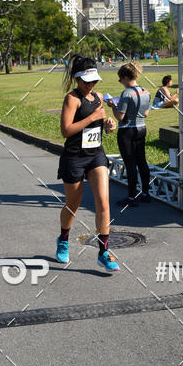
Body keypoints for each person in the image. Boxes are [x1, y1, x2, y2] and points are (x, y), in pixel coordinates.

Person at [56, 55, 119, 272]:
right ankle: (63, 238)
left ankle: (103, 252)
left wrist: (108, 125)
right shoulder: (71, 99)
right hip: (74, 156)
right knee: (72, 205)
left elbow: (100, 124)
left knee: (103, 201)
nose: (90, 85)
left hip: (95, 155)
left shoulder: (99, 97)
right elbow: (66, 131)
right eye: (86, 81)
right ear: (77, 79)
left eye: (93, 81)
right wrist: (91, 119)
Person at [106, 61, 151, 207]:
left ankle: (131, 197)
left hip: (127, 130)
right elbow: (146, 113)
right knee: (142, 161)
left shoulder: (126, 93)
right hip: (141, 128)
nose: (121, 82)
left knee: (130, 163)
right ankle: (145, 192)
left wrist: (113, 105)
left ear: (125, 77)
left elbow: (120, 116)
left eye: (120, 79)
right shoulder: (145, 91)